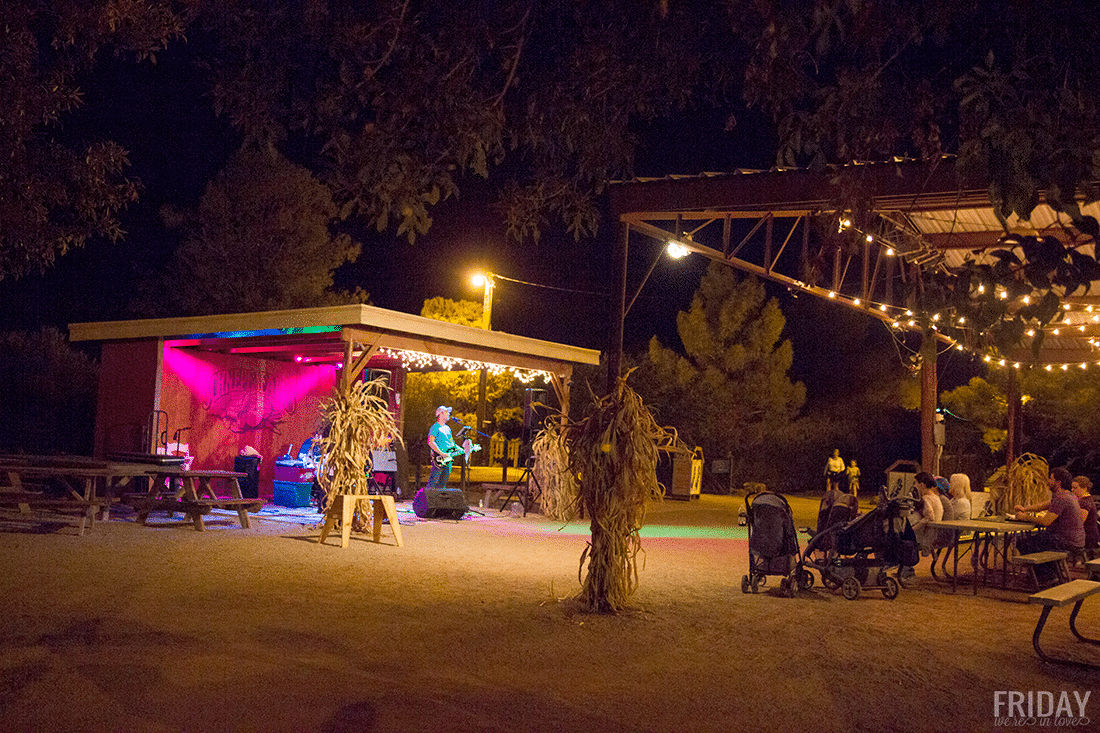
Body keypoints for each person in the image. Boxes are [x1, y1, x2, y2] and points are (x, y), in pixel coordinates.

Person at [1014, 467, 1086, 556]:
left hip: (1067, 542)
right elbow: (1045, 505)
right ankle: (1048, 567)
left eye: (1051, 479)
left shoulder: (1061, 498)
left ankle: (1044, 568)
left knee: (1024, 542)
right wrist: (1025, 509)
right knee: (1036, 539)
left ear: (1058, 483)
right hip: (1076, 541)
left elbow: (1046, 522)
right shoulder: (1069, 495)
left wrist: (1024, 517)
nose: (1048, 481)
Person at [900, 472, 943, 581]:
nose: (914, 486)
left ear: (922, 485)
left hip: (928, 536)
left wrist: (913, 528)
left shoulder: (926, 498)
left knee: (902, 538)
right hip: (934, 533)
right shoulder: (935, 497)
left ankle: (906, 570)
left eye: (916, 483)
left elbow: (930, 516)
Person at [427, 405, 457, 488]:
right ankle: (428, 499)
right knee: (433, 481)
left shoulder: (448, 428)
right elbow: (430, 442)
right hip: (438, 459)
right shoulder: (435, 427)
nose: (449, 414)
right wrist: (441, 453)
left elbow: (452, 443)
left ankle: (440, 499)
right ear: (441, 413)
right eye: (447, 412)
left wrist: (464, 449)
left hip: (448, 459)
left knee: (443, 482)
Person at [1071, 475, 1099, 555]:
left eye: (1075, 488)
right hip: (1091, 536)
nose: (1072, 490)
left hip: (1087, 537)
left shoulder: (1084, 503)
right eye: (1072, 488)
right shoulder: (1087, 500)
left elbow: (1080, 522)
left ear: (1085, 488)